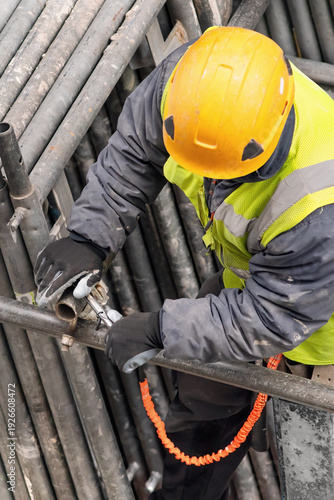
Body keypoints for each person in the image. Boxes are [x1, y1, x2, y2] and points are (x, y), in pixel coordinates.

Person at [34, 26, 334, 499]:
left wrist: (163, 329)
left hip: (319, 339)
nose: (209, 183)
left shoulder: (321, 201)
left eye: (225, 173)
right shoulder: (194, 83)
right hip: (250, 289)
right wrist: (89, 236)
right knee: (200, 414)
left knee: (313, 466)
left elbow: (273, 316)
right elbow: (136, 150)